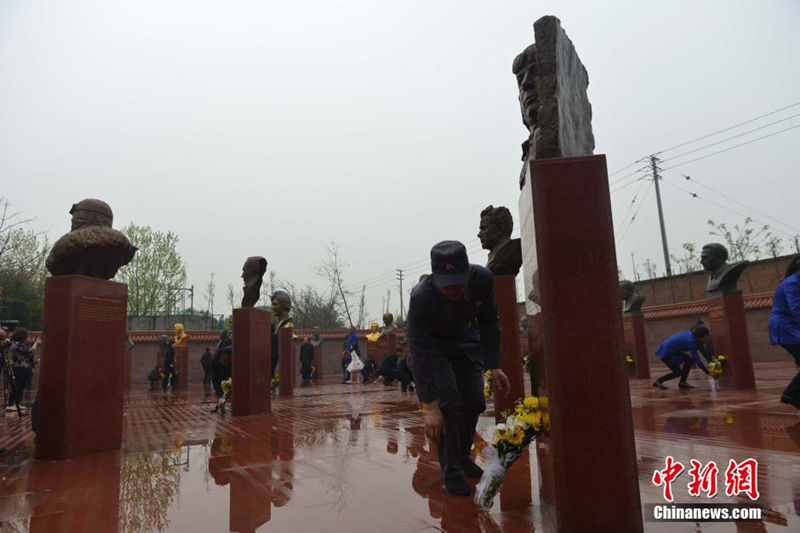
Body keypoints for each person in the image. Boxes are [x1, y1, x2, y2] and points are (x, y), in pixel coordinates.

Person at [407, 240, 509, 496]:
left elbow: (489, 322)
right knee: (448, 406)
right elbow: (419, 352)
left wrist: (494, 365)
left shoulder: (482, 279)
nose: (454, 290)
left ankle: (463, 457)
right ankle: (451, 470)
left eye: (459, 284)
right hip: (434, 348)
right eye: (447, 286)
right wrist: (429, 406)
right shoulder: (422, 297)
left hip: (466, 340)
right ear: (435, 278)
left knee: (474, 401)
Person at [769, 255, 800, 409]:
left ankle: (794, 395)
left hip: (790, 327)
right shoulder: (792, 283)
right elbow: (796, 308)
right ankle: (790, 394)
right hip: (785, 327)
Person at [6, 328, 39, 412]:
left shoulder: (20, 344)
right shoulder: (17, 344)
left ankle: (17, 403)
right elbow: (29, 352)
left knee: (20, 387)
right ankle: (11, 404)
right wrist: (35, 344)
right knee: (17, 386)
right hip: (18, 368)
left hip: (22, 368)